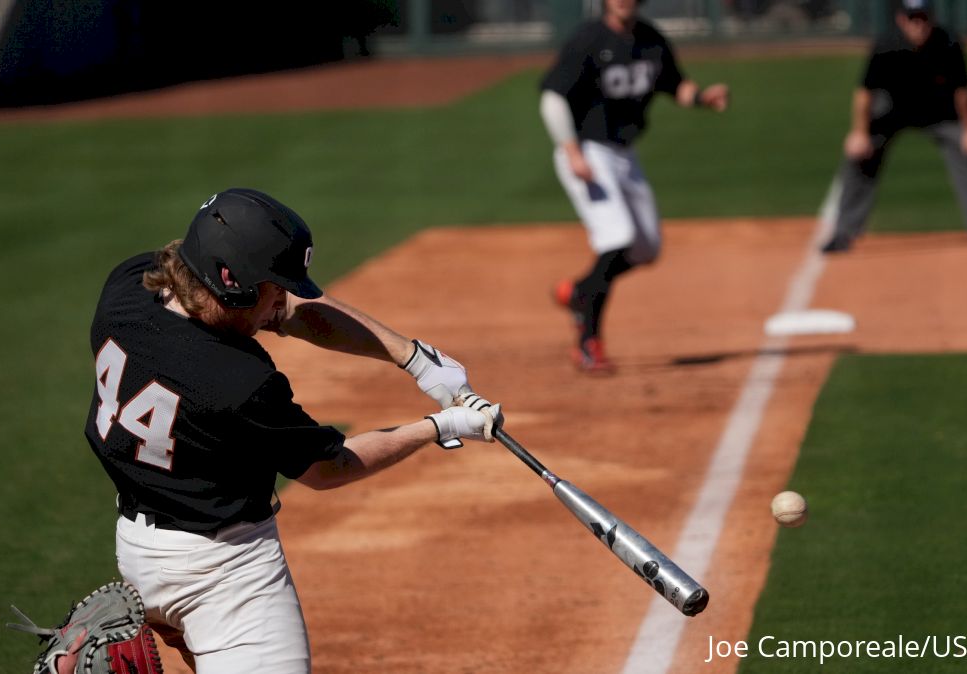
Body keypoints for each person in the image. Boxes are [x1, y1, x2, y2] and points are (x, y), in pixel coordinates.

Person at [84, 187, 501, 672]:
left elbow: (290, 314)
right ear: (229, 280)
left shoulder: (127, 291)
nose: (282, 302)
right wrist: (439, 426)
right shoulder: (239, 380)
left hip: (137, 556)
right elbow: (330, 467)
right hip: (225, 576)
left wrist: (413, 358)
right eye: (272, 287)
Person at [540, 0, 729, 373]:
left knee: (646, 248)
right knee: (617, 238)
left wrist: (702, 97)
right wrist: (572, 151)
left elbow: (674, 83)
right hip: (588, 151)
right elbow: (552, 98)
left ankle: (580, 292)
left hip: (624, 154)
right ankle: (588, 342)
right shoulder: (588, 39)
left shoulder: (649, 38)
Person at [820, 0, 967, 254]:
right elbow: (864, 94)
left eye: (923, 18)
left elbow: (962, 91)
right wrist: (859, 133)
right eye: (913, 18)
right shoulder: (886, 45)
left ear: (932, 19)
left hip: (938, 111)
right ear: (901, 20)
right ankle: (843, 232)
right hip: (891, 110)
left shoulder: (947, 41)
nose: (919, 25)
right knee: (860, 154)